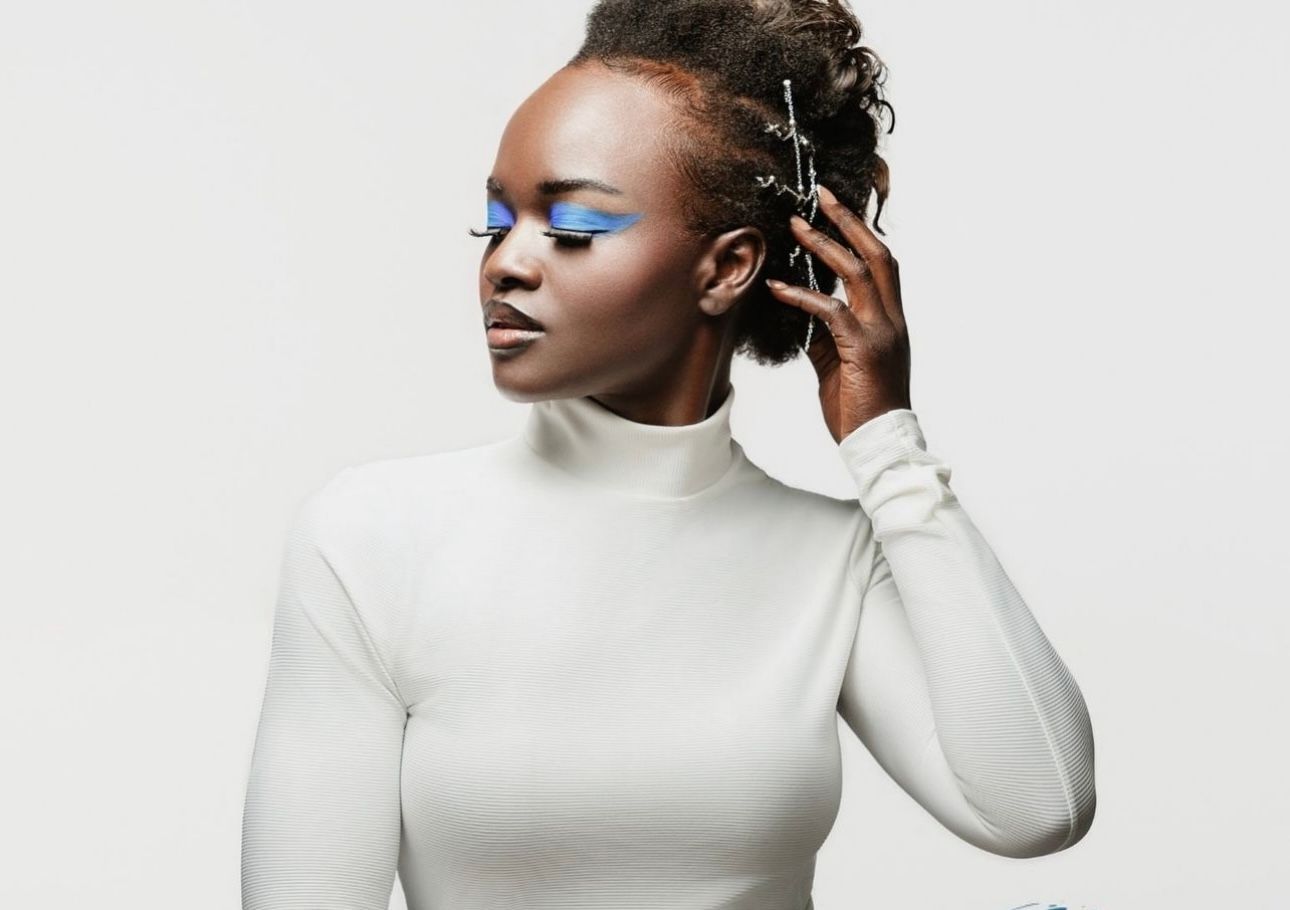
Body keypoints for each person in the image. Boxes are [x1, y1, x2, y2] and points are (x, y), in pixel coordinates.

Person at [240, 1, 1097, 907]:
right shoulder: (374, 537)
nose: (506, 263)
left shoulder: (830, 558)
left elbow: (1036, 806)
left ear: (727, 267)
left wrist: (887, 443)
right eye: (495, 221)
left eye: (571, 225)